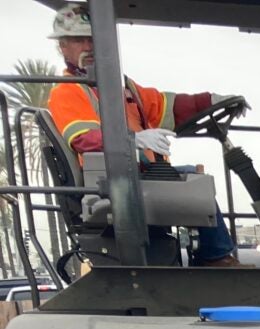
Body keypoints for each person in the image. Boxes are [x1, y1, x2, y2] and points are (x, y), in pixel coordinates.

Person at [45, 2, 246, 266]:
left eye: (92, 39)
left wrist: (211, 100)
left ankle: (210, 257)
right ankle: (217, 258)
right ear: (63, 47)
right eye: (79, 40)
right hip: (113, 183)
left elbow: (168, 106)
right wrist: (132, 140)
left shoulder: (123, 88)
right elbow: (83, 137)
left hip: (140, 175)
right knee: (195, 179)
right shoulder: (68, 90)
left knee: (191, 176)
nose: (88, 47)